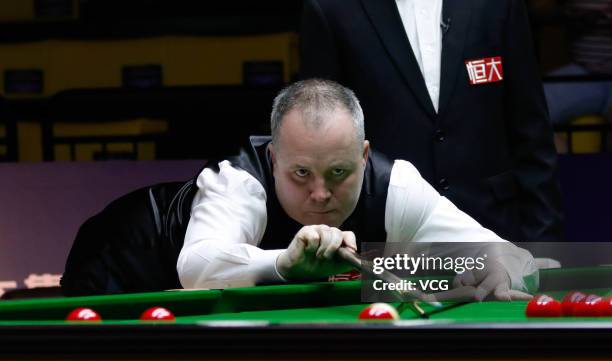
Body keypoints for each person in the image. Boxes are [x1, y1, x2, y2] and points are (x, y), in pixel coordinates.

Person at [177, 79, 536, 301]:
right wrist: (284, 264)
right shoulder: (237, 182)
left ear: (363, 156)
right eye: (301, 172)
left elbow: (516, 258)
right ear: (273, 158)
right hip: (129, 265)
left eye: (338, 172)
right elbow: (195, 267)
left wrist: (499, 269)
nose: (320, 193)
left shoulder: (395, 188)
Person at [299, 0, 564, 242]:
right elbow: (319, 137)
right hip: (387, 241)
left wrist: (545, 244)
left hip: (495, 229)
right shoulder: (331, 7)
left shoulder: (497, 5)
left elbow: (531, 131)